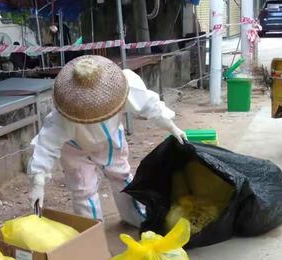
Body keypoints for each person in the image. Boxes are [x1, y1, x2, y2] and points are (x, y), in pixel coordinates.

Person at [28, 55, 186, 227]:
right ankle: (92, 234)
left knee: (122, 177)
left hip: (110, 138)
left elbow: (149, 105)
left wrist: (171, 126)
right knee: (83, 191)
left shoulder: (123, 85)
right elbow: (46, 146)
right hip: (74, 149)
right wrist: (38, 181)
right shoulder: (60, 118)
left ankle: (136, 217)